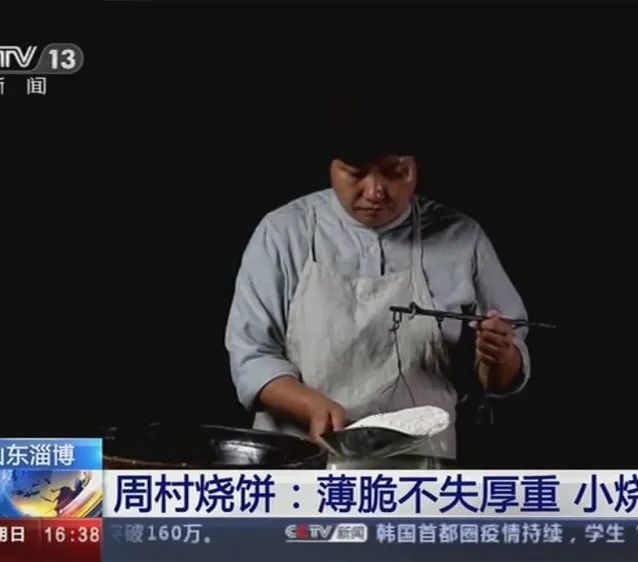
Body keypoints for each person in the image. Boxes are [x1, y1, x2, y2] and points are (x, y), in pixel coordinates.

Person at [225, 101, 531, 459]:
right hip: (299, 457)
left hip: (418, 465)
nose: (375, 192)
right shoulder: (283, 232)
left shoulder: (462, 238)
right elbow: (252, 355)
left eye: (395, 172)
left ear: (415, 166)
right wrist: (310, 405)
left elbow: (499, 377)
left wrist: (499, 357)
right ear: (332, 167)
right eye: (355, 173)